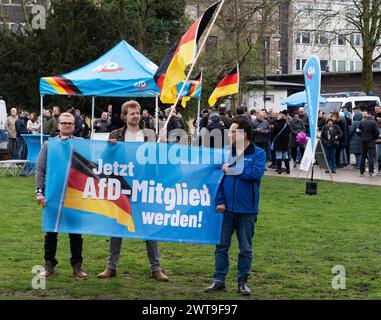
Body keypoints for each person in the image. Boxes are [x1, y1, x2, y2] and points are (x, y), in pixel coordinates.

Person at [97, 100, 169, 282]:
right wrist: (109, 148)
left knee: (149, 229)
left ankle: (156, 268)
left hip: (145, 187)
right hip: (121, 187)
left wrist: (164, 143)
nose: (136, 116)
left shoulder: (151, 134)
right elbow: (105, 160)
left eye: (137, 112)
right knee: (117, 227)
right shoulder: (115, 134)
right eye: (132, 113)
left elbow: (160, 159)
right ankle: (111, 267)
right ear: (124, 116)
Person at [205, 117, 266, 296]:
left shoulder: (258, 153)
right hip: (226, 210)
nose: (229, 134)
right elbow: (217, 180)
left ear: (244, 134)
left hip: (247, 210)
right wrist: (219, 201)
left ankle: (242, 281)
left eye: (233, 131)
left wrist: (230, 168)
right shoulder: (225, 152)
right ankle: (219, 280)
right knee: (221, 246)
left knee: (245, 248)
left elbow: (254, 174)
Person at [35, 112, 88, 279]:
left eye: (70, 123)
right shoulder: (49, 145)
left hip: (75, 195)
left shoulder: (81, 144)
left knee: (76, 233)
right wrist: (39, 192)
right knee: (51, 231)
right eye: (64, 123)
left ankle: (77, 266)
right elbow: (40, 170)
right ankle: (49, 264)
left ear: (74, 125)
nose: (67, 125)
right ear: (58, 125)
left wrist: (112, 144)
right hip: (53, 194)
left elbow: (97, 160)